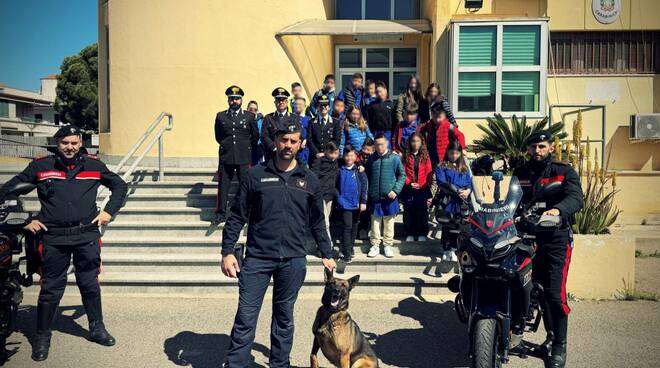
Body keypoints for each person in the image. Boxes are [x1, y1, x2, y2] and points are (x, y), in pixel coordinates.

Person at [0, 126, 128, 361]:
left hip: (86, 235)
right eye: (65, 143)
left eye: (74, 143)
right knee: (51, 288)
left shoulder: (93, 165)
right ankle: (42, 337)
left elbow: (120, 186)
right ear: (56, 143)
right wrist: (26, 220)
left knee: (89, 283)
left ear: (80, 143)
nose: (70, 147)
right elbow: (7, 191)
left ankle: (97, 328)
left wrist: (109, 211)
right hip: (54, 237)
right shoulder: (41, 166)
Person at [220, 119, 336, 368]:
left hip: (293, 260)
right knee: (246, 317)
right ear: (275, 141)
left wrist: (327, 252)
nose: (288, 145)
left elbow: (318, 222)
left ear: (301, 144)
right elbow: (237, 215)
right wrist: (227, 251)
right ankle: (236, 364)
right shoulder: (255, 175)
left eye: (293, 140)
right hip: (257, 259)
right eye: (284, 139)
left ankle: (279, 365)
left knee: (284, 319)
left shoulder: (310, 180)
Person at [512, 131, 583, 368]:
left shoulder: (563, 171)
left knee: (554, 294)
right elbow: (510, 199)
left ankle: (559, 345)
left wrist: (559, 210)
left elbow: (576, 198)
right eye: (533, 147)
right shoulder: (521, 172)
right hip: (527, 237)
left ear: (551, 147)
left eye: (542, 146)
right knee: (533, 291)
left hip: (555, 240)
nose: (537, 151)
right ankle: (543, 336)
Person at [214, 85, 259, 224]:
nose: (234, 101)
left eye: (237, 99)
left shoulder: (249, 116)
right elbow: (218, 136)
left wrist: (245, 147)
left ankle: (246, 212)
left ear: (241, 100)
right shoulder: (221, 116)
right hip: (226, 156)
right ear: (228, 100)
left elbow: (255, 136)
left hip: (243, 156)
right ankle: (220, 214)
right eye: (231, 99)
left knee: (245, 186)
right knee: (223, 187)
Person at [365, 133, 405, 258]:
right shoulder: (371, 159)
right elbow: (367, 176)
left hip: (390, 197)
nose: (379, 147)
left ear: (386, 143)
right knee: (375, 223)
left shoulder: (394, 158)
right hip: (375, 197)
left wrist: (396, 190)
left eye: (381, 144)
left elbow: (402, 175)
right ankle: (375, 245)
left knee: (389, 222)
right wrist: (369, 192)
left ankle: (387, 245)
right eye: (377, 145)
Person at [435, 140, 472, 261]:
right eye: (452, 153)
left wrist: (468, 191)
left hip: (461, 201)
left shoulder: (464, 168)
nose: (454, 156)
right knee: (447, 225)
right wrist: (455, 190)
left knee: (460, 225)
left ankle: (455, 248)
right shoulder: (442, 166)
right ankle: (446, 248)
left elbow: (470, 183)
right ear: (447, 152)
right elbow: (441, 182)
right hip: (448, 199)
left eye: (457, 153)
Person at [335, 145, 368, 263]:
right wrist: (339, 198)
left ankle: (350, 247)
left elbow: (364, 186)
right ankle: (347, 253)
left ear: (355, 157)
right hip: (345, 203)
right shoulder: (339, 170)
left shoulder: (359, 170)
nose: (349, 158)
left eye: (351, 155)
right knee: (347, 227)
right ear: (344, 156)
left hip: (357, 203)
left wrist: (363, 201)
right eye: (347, 155)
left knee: (354, 226)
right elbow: (335, 186)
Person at [400, 133, 433, 242]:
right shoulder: (405, 156)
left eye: (418, 141)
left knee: (421, 212)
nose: (415, 143)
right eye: (413, 141)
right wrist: (409, 183)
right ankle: (409, 233)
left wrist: (422, 184)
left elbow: (429, 171)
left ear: (421, 143)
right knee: (408, 212)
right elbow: (402, 172)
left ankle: (421, 233)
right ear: (410, 142)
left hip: (422, 188)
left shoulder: (425, 156)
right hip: (408, 188)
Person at [311, 142, 340, 231]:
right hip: (321, 194)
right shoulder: (319, 161)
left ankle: (322, 239)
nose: (334, 156)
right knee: (324, 220)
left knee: (327, 217)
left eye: (336, 154)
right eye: (332, 153)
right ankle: (327, 241)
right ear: (326, 151)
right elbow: (313, 176)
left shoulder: (336, 162)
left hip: (330, 194)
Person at [261, 87, 296, 161]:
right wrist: (274, 147)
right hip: (272, 155)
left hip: (288, 154)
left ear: (287, 102)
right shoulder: (268, 118)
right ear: (275, 102)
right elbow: (264, 136)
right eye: (278, 100)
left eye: (283, 100)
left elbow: (298, 136)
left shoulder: (294, 118)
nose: (281, 102)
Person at [308, 95, 342, 166]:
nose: (323, 107)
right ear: (317, 107)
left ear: (329, 107)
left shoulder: (335, 122)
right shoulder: (311, 122)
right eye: (321, 105)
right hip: (315, 158)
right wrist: (317, 153)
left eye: (325, 105)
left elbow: (337, 140)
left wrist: (326, 153)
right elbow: (309, 139)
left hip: (330, 157)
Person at [365, 82, 395, 147]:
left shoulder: (391, 104)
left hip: (388, 133)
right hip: (376, 133)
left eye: (380, 91)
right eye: (377, 92)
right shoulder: (371, 105)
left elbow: (394, 121)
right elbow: (368, 120)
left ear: (385, 90)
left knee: (387, 152)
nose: (379, 94)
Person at [294, 97, 311, 166]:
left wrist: (306, 140)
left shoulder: (309, 120)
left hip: (306, 151)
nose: (298, 106)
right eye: (296, 104)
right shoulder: (291, 118)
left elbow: (312, 134)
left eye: (300, 104)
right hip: (294, 150)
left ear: (305, 106)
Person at [247, 100, 265, 166]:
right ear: (247, 109)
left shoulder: (262, 120)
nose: (253, 111)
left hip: (258, 150)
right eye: (251, 109)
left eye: (255, 109)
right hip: (246, 150)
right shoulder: (243, 120)